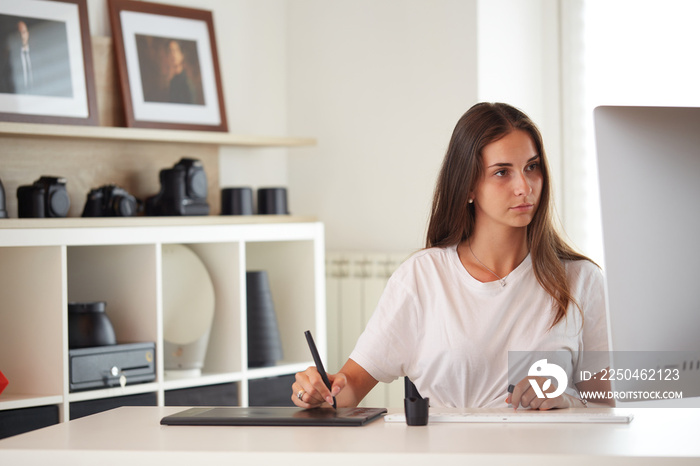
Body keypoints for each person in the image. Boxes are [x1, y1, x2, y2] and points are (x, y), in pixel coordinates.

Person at [292, 102, 613, 410]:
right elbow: (348, 390)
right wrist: (320, 390)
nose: (524, 186)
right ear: (469, 187)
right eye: (503, 172)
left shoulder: (581, 281)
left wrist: (568, 400)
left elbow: (608, 407)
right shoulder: (421, 278)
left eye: (532, 167)